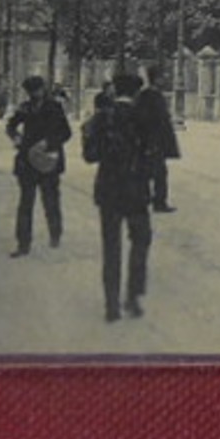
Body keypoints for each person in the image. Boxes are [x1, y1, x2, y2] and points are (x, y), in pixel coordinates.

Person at [81, 76, 155, 321]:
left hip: (109, 190)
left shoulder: (101, 117)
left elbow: (89, 156)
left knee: (111, 247)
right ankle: (133, 297)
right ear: (136, 92)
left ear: (115, 90)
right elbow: (156, 155)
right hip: (136, 191)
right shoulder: (144, 117)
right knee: (141, 241)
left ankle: (111, 305)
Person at [5, 75, 72, 257]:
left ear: (43, 89)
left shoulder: (54, 108)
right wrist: (16, 137)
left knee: (50, 201)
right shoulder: (25, 108)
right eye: (32, 91)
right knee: (26, 204)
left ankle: (55, 235)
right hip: (27, 160)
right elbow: (11, 125)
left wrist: (49, 142)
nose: (36, 94)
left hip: (50, 159)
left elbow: (66, 133)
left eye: (38, 90)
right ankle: (23, 244)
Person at [136, 66, 181, 212]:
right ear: (156, 79)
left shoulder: (149, 95)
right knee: (158, 173)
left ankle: (147, 199)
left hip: (153, 142)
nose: (165, 79)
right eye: (162, 76)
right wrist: (151, 142)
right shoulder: (150, 96)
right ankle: (158, 202)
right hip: (153, 142)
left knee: (150, 172)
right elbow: (149, 121)